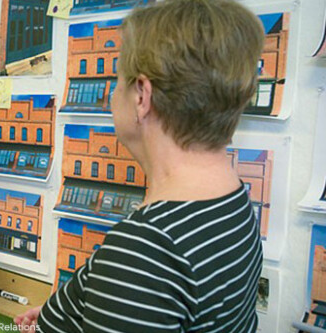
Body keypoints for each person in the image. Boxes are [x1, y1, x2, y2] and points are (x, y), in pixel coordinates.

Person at [15, 0, 265, 332]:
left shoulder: (147, 248)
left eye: (118, 79)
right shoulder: (232, 201)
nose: (111, 95)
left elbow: (148, 278)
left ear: (141, 96)